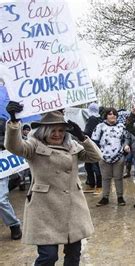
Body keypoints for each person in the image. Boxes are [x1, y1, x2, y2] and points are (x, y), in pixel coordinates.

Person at [4, 102, 102, 265]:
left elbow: (96, 157)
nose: (57, 134)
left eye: (61, 130)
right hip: (44, 209)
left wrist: (84, 138)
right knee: (48, 256)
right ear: (44, 130)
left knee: (73, 254)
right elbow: (14, 146)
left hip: (73, 208)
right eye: (53, 130)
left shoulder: (72, 145)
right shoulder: (34, 146)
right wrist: (14, 122)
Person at [92, 107, 130, 207]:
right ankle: (105, 197)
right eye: (110, 114)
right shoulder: (100, 126)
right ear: (106, 116)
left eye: (114, 114)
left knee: (119, 178)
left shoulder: (121, 126)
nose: (112, 115)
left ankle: (120, 197)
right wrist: (97, 153)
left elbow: (126, 138)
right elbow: (94, 141)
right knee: (105, 178)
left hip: (118, 156)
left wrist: (126, 145)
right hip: (104, 157)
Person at [83, 103, 103, 193]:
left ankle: (96, 185)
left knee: (92, 166)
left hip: (91, 145)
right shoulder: (100, 119)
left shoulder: (92, 119)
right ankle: (93, 184)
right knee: (91, 165)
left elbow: (87, 132)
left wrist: (80, 134)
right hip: (98, 145)